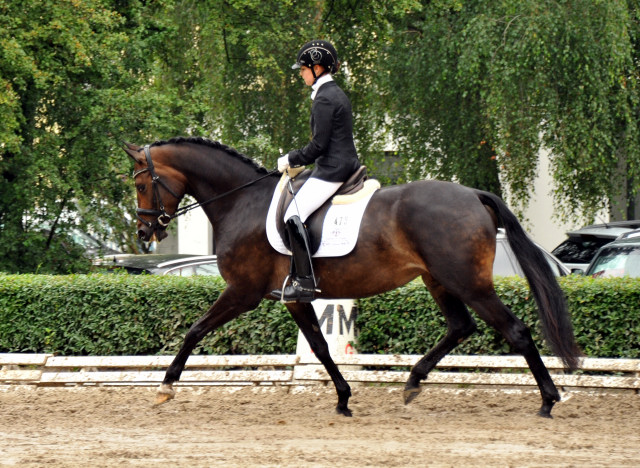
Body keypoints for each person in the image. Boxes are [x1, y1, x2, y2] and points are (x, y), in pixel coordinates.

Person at [271, 39, 361, 303]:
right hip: (339, 163)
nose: (301, 74)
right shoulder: (334, 93)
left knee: (292, 214)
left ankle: (305, 283)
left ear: (318, 67)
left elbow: (319, 145)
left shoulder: (325, 99)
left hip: (333, 169)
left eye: (303, 69)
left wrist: (289, 158)